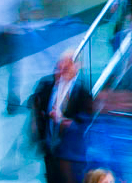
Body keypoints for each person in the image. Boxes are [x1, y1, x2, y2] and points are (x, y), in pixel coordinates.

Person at [31, 53, 93, 183]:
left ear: (77, 67)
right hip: (49, 150)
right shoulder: (46, 85)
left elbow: (83, 126)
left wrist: (61, 120)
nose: (63, 66)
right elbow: (35, 104)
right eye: (61, 63)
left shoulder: (82, 93)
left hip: (70, 156)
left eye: (68, 64)